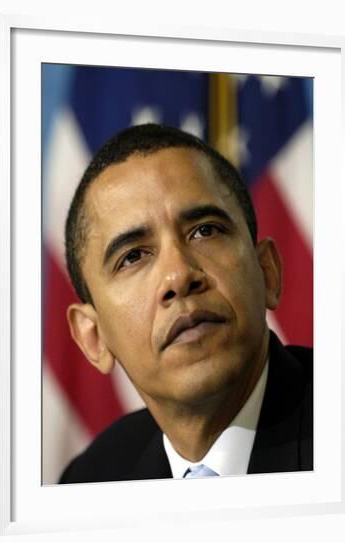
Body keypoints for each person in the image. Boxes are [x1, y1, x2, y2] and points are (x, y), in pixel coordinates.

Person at [58, 123, 313, 483]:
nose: (178, 275)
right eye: (133, 257)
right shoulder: (91, 479)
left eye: (205, 230)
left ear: (267, 271)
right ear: (94, 337)